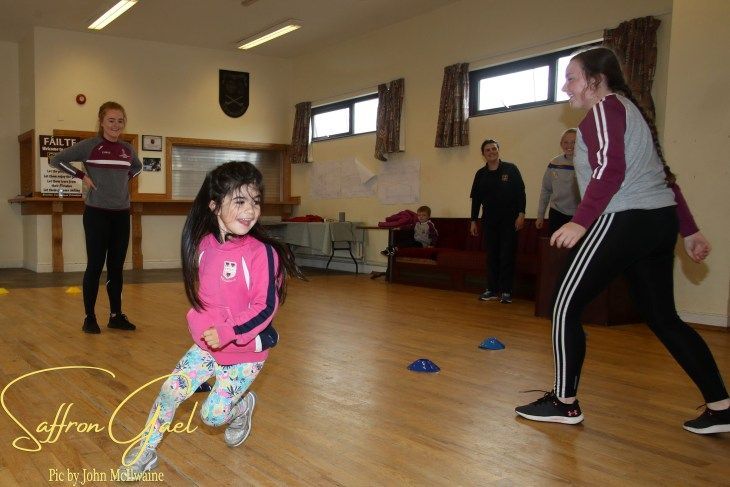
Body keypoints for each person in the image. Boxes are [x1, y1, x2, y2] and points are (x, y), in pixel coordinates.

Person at [515, 47, 729, 434]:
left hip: (625, 219)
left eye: (572, 78)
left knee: (563, 305)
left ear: (596, 81)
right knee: (663, 318)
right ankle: (722, 405)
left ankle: (564, 403)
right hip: (658, 222)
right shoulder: (629, 111)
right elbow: (663, 176)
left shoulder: (603, 110)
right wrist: (689, 229)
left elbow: (609, 171)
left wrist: (581, 222)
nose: (565, 87)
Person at [118, 161, 305, 479]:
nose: (250, 210)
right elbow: (207, 295)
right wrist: (199, 321)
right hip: (206, 347)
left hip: (244, 355)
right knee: (169, 392)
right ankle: (146, 450)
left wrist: (229, 330)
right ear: (214, 205)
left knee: (212, 417)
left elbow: (266, 307)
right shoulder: (203, 245)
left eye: (255, 201)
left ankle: (241, 407)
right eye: (240, 201)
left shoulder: (262, 253)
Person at [50, 101, 142, 334]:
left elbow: (138, 167)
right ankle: (89, 317)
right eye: (111, 120)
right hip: (96, 214)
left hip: (121, 215)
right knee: (95, 266)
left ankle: (116, 316)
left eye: (120, 121)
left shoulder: (127, 149)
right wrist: (82, 176)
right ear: (101, 122)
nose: (116, 125)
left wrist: (123, 180)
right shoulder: (90, 146)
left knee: (116, 268)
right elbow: (56, 160)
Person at [470, 139, 526, 304]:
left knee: (507, 255)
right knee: (492, 256)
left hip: (510, 221)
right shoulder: (480, 174)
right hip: (489, 221)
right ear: (483, 154)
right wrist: (473, 220)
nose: (491, 152)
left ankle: (506, 291)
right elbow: (476, 200)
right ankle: (492, 290)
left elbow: (521, 193)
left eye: (494, 149)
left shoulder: (511, 169)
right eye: (487, 150)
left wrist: (521, 214)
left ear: (498, 150)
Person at [535, 129, 581, 234]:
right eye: (566, 142)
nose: (569, 145)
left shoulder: (586, 163)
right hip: (557, 213)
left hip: (579, 214)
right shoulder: (554, 163)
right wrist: (540, 216)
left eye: (574, 142)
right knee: (556, 244)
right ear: (561, 144)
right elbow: (546, 190)